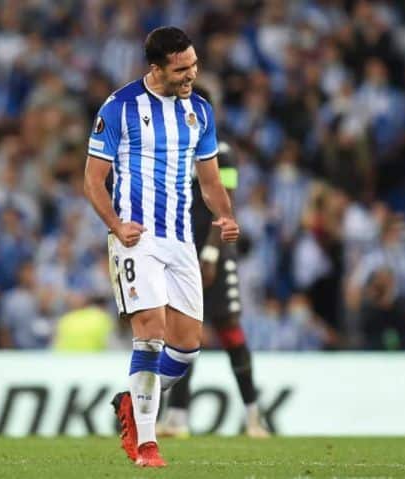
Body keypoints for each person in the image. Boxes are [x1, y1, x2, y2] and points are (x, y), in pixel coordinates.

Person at [84, 26, 239, 468]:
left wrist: (224, 214)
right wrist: (116, 227)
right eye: (181, 68)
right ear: (156, 68)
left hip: (180, 239)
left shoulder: (201, 112)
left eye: (194, 64)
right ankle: (147, 444)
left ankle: (132, 402)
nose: (191, 74)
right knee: (150, 331)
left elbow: (209, 181)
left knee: (187, 348)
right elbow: (93, 180)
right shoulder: (120, 107)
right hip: (138, 238)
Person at [157, 113, 270, 438]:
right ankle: (177, 419)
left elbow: (226, 204)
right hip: (182, 255)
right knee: (182, 333)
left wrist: (209, 252)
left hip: (215, 255)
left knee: (229, 330)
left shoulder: (220, 151)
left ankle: (254, 418)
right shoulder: (174, 151)